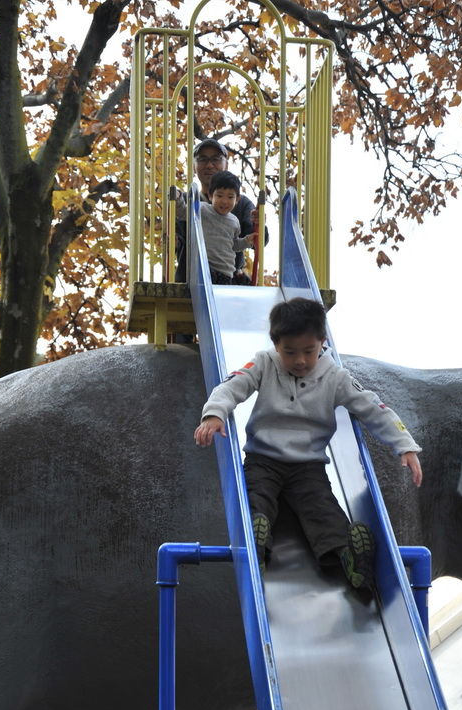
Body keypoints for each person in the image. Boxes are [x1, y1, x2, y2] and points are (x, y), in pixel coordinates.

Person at [193, 297, 423, 591]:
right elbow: (232, 385)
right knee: (255, 496)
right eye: (290, 352)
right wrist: (214, 414)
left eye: (309, 351)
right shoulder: (264, 363)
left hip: (308, 466)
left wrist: (404, 444)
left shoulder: (335, 377)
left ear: (322, 343)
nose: (300, 360)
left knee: (322, 510)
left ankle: (348, 556)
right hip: (264, 458)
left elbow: (372, 407)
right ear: (276, 345)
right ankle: (255, 540)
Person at [175, 138, 263, 285]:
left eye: (216, 159)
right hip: (194, 277)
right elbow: (177, 236)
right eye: (202, 160)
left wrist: (258, 225)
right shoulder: (189, 200)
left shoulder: (241, 204)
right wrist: (176, 200)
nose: (209, 165)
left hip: (227, 275)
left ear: (226, 164)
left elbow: (257, 239)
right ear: (194, 166)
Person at [174, 171, 255, 285]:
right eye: (219, 195)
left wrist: (246, 241)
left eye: (230, 197)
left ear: (237, 199)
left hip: (226, 272)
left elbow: (234, 245)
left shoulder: (235, 222)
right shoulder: (202, 210)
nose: (224, 201)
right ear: (211, 195)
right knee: (205, 294)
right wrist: (178, 198)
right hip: (205, 268)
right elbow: (182, 213)